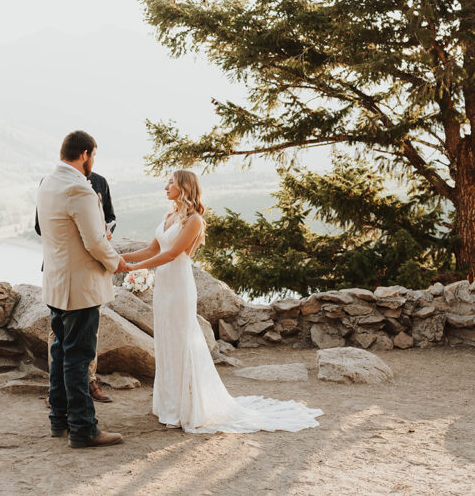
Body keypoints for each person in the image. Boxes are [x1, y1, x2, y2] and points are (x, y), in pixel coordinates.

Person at [118, 170, 323, 433]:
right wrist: (122, 259)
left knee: (181, 341)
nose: (165, 186)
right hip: (164, 287)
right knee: (167, 340)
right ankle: (168, 404)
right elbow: (151, 249)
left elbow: (171, 255)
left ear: (184, 187)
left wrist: (134, 268)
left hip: (179, 285)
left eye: (171, 182)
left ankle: (186, 407)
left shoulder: (194, 220)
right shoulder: (168, 216)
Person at [36, 130, 128, 448]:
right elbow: (94, 242)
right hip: (81, 288)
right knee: (79, 356)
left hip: (56, 283)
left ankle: (59, 420)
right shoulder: (79, 189)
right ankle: (84, 428)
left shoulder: (48, 183)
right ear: (86, 154)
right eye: (93, 157)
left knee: (61, 351)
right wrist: (117, 263)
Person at [35, 170, 116, 402]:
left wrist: (105, 232)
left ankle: (89, 382)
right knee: (58, 334)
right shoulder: (48, 182)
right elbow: (41, 226)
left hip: (87, 273)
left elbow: (110, 217)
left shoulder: (99, 182)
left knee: (89, 334)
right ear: (84, 154)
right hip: (61, 270)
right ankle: (57, 390)